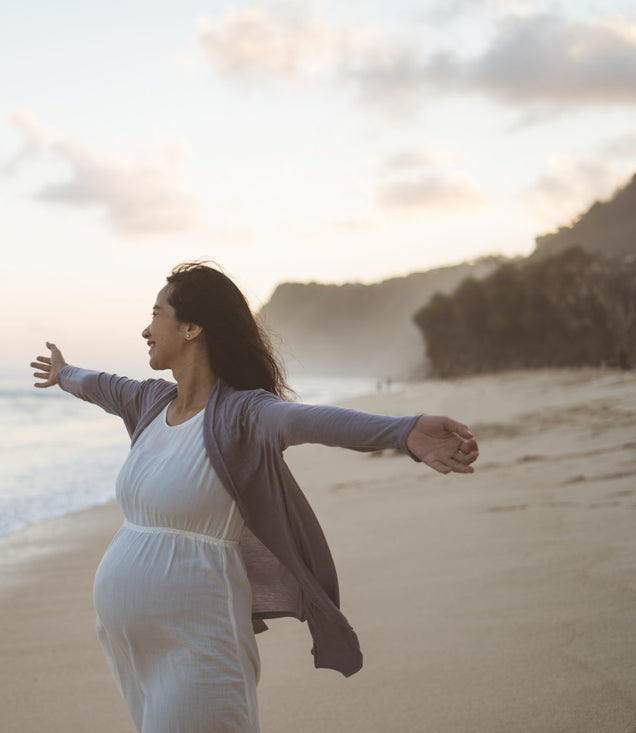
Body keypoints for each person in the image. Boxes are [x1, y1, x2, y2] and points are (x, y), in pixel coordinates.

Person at [29, 261, 479, 733]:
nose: (145, 328)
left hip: (198, 639)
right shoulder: (150, 403)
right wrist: (63, 373)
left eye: (156, 312)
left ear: (191, 327)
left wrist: (404, 431)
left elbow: (312, 421)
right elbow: (98, 385)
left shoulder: (243, 414)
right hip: (128, 641)